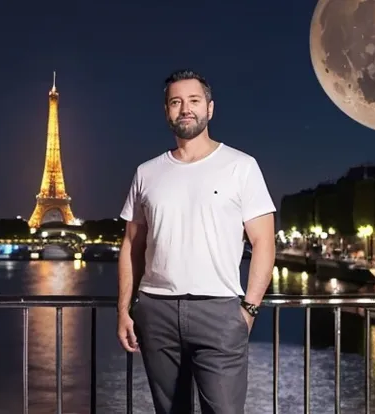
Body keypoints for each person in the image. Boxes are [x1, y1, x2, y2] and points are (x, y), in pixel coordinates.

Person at [116, 69, 277, 414]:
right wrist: (124, 310)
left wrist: (248, 309)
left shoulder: (241, 167)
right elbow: (131, 245)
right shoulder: (146, 173)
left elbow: (264, 242)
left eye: (193, 100)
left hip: (219, 311)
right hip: (155, 309)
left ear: (210, 108)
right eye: (176, 102)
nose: (185, 108)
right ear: (166, 112)